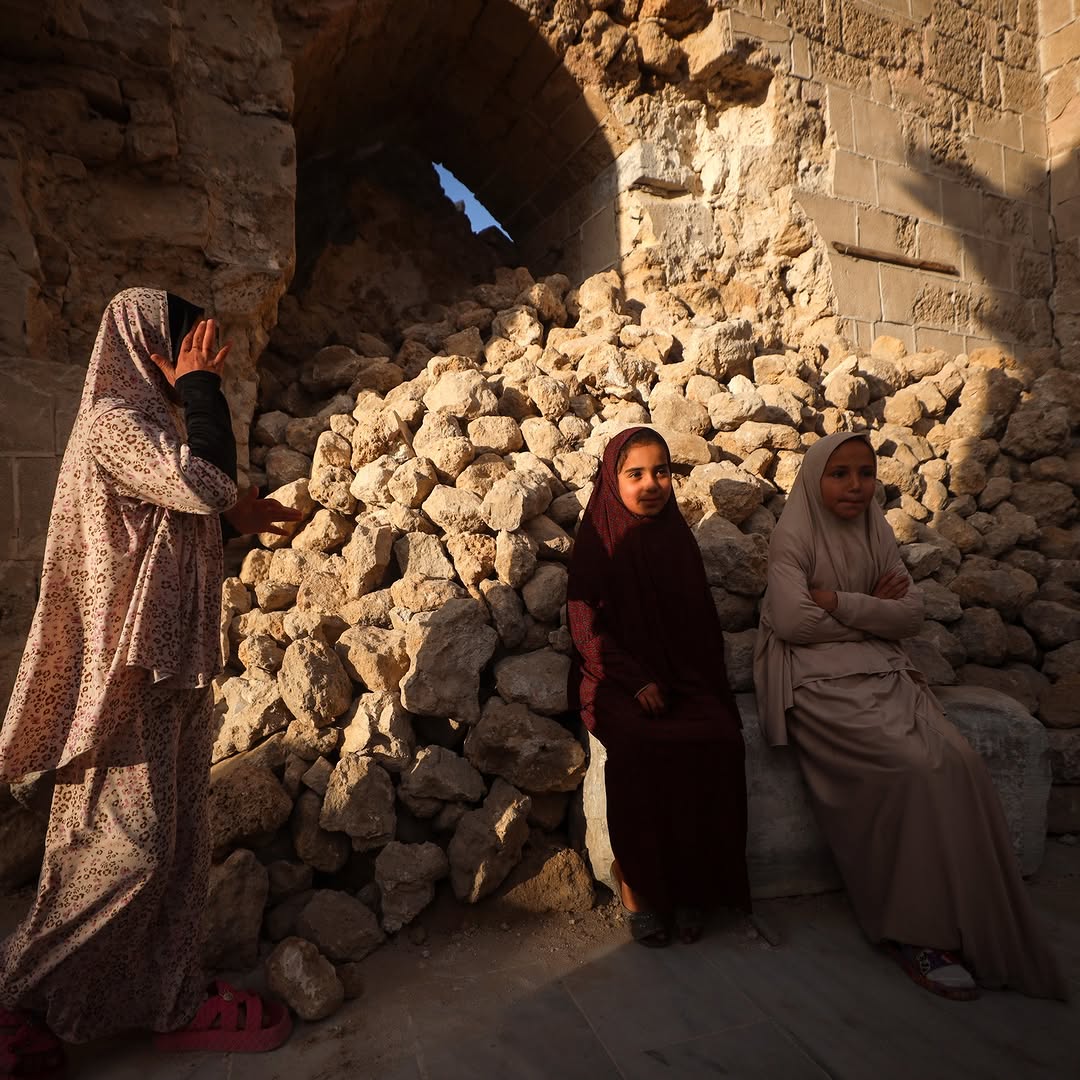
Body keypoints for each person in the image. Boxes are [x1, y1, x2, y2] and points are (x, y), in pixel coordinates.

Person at [0, 288, 304, 1075]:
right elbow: (202, 483)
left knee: (176, 848)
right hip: (126, 678)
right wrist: (202, 389)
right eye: (190, 344)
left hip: (173, 667)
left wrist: (236, 521)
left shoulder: (146, 429)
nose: (205, 358)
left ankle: (171, 998)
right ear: (146, 346)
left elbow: (173, 512)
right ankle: (16, 997)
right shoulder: (113, 423)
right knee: (122, 852)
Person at [753, 430, 1067, 1000]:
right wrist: (874, 611)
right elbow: (795, 624)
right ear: (815, 479)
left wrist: (838, 602)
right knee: (912, 769)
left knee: (959, 762)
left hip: (882, 669)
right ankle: (917, 933)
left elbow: (912, 615)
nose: (855, 485)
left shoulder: (876, 529)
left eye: (865, 473)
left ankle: (965, 914)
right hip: (816, 683)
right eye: (840, 473)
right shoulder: (793, 536)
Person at [567, 426, 750, 947]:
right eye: (636, 474)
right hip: (613, 679)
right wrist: (636, 679)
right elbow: (585, 627)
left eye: (661, 472)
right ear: (612, 480)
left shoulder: (675, 537)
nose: (651, 485)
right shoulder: (598, 539)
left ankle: (692, 886)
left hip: (679, 678)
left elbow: (697, 624)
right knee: (642, 748)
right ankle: (639, 887)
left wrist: (694, 685)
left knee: (718, 739)